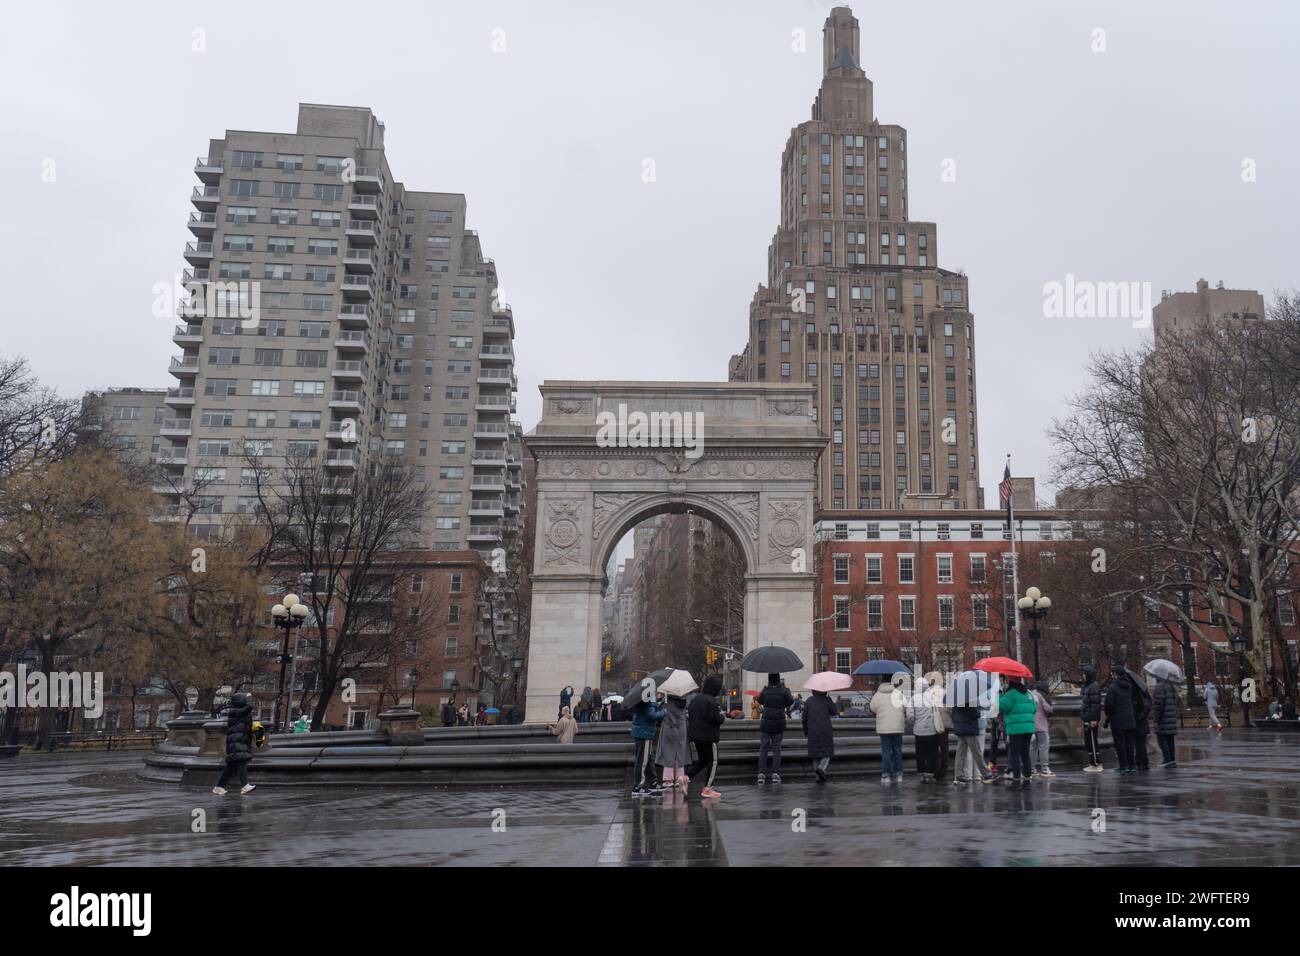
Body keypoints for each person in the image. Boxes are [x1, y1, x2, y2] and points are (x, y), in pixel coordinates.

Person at [686, 675, 726, 799]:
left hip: (696, 736)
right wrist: (722, 716)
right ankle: (708, 788)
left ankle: (686, 776)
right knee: (713, 761)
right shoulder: (711, 701)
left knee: (703, 760)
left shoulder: (695, 700)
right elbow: (715, 719)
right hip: (709, 737)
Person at [212, 692, 256, 796]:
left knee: (231, 766)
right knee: (241, 761)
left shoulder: (239, 712)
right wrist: (249, 697)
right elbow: (249, 707)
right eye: (244, 699)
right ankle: (245, 785)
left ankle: (219, 786)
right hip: (236, 740)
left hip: (239, 740)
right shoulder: (235, 712)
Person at [999, 677, 1037, 789]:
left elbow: (1002, 706)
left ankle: (1016, 781)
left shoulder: (1011, 694)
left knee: (1015, 754)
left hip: (1015, 728)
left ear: (1010, 682)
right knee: (1025, 754)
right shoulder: (1029, 693)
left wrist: (1000, 695)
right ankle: (1027, 780)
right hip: (1029, 728)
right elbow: (1034, 708)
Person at [756, 674, 793, 784]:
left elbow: (760, 700)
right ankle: (775, 773)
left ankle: (761, 774)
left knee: (764, 748)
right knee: (777, 748)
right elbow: (790, 702)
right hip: (779, 722)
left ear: (769, 680)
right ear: (778, 680)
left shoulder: (765, 690)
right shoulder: (784, 691)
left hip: (766, 722)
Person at [951, 687, 992, 785]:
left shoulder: (957, 699)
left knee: (960, 753)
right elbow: (974, 713)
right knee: (976, 751)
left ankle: (959, 775)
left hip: (960, 728)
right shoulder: (970, 699)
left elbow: (953, 713)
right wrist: (979, 711)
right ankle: (986, 773)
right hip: (969, 728)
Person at [870, 676, 906, 784]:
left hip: (884, 727)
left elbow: (873, 708)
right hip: (897, 727)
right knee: (897, 750)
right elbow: (905, 706)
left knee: (886, 751)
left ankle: (886, 776)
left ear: (882, 681)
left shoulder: (878, 694)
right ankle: (898, 774)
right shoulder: (898, 693)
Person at [629, 694, 666, 797]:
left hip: (642, 731)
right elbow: (651, 716)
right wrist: (663, 712)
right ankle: (638, 786)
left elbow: (647, 711)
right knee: (642, 760)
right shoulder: (649, 698)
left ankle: (653, 782)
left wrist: (657, 704)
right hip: (644, 732)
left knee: (648, 758)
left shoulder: (642, 697)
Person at [1103, 668, 1138, 773]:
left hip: (1118, 719)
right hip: (1130, 718)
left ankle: (1123, 765)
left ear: (1115, 674)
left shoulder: (1113, 687)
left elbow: (1109, 704)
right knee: (1130, 743)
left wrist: (1108, 716)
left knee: (1120, 743)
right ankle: (1132, 765)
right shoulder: (1130, 686)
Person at [656, 689, 692, 793]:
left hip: (669, 729)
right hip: (681, 729)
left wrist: (661, 699)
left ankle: (668, 779)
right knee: (680, 754)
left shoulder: (666, 703)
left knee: (668, 753)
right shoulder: (684, 702)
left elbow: (660, 712)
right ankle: (679, 776)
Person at [803, 687, 837, 783]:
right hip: (825, 730)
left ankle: (817, 777)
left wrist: (806, 731)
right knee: (827, 753)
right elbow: (834, 712)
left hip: (812, 731)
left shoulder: (809, 701)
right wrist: (829, 700)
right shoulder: (827, 700)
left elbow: (804, 718)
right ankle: (821, 769)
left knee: (815, 755)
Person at [910, 676, 941, 784]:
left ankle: (921, 773)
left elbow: (910, 716)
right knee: (931, 753)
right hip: (932, 731)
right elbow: (938, 711)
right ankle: (930, 773)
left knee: (920, 754)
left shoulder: (913, 698)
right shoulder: (932, 697)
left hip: (919, 731)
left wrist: (915, 722)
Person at [1152, 675, 1180, 767]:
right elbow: (1175, 701)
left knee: (1161, 740)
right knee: (1170, 740)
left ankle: (1167, 759)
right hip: (1171, 717)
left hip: (1163, 718)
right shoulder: (1170, 686)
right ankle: (1172, 759)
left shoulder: (1160, 687)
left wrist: (1156, 719)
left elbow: (1158, 705)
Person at [1081, 667, 1104, 773]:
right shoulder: (1088, 687)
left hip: (1091, 718)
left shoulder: (1093, 687)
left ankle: (1096, 763)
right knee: (1089, 741)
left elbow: (1095, 705)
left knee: (1092, 741)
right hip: (1087, 717)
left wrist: (1094, 719)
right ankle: (1092, 763)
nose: (1083, 676)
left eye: (1084, 674)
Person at [1029, 681, 1054, 777]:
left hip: (1031, 725)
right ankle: (1044, 769)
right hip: (1041, 726)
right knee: (1043, 747)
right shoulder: (1041, 696)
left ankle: (1032, 769)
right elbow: (1048, 709)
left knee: (1032, 748)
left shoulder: (1030, 694)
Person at [1130, 673, 1152, 770]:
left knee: (1139, 743)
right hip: (1140, 721)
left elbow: (1146, 706)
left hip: (1139, 721)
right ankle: (1141, 761)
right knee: (1139, 743)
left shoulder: (1138, 693)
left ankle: (1142, 762)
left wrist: (1140, 717)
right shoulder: (1142, 691)